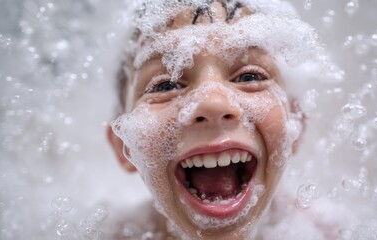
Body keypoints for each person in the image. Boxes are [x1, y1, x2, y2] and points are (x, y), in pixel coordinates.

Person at [106, 0, 329, 239]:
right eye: (166, 85)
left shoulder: (328, 232)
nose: (212, 102)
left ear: (295, 123)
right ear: (124, 145)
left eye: (249, 76)